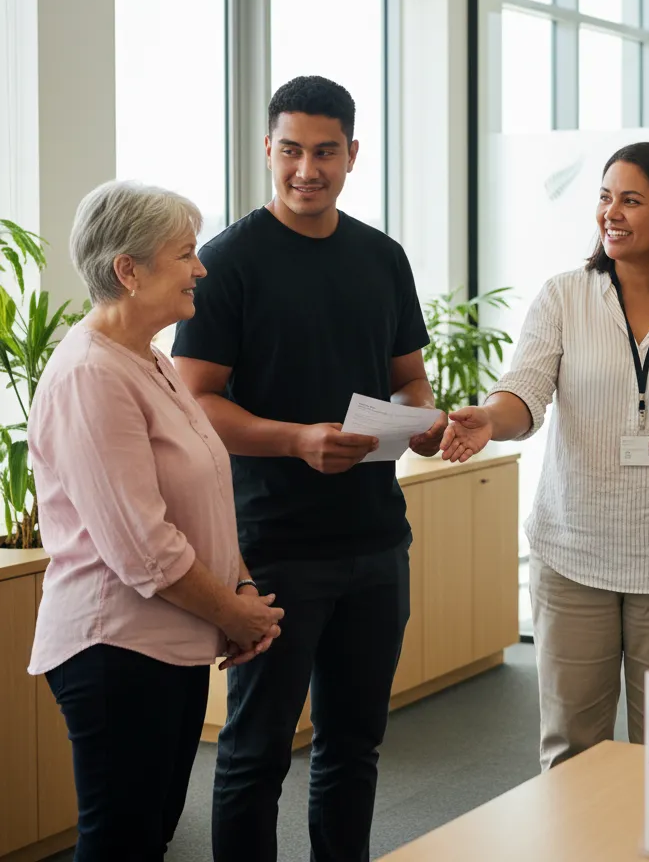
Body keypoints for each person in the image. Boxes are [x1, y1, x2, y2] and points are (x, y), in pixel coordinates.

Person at [172, 75, 445, 862]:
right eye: (290, 150)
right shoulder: (225, 262)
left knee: (353, 748)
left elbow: (408, 377)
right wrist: (296, 440)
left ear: (353, 154)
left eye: (325, 151)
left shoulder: (381, 256)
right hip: (270, 548)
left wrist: (422, 422)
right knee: (255, 754)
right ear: (267, 150)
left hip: (374, 542)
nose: (306, 169)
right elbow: (197, 402)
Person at [441, 142, 649, 771]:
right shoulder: (564, 296)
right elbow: (523, 393)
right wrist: (488, 418)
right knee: (572, 749)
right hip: (574, 553)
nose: (611, 212)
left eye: (631, 199)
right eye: (605, 197)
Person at [27, 182, 284, 862]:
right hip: (114, 649)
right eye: (185, 254)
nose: (201, 269)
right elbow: (141, 545)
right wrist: (233, 614)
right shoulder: (90, 375)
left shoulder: (150, 360)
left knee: (149, 838)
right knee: (120, 845)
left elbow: (200, 499)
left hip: (170, 640)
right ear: (128, 271)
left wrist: (241, 589)